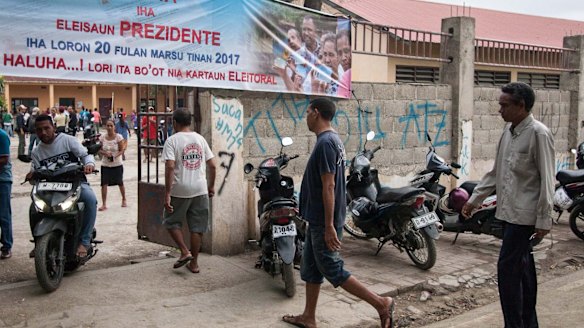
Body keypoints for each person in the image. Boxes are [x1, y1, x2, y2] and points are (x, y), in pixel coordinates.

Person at [282, 98, 394, 328]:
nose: (305, 117)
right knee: (311, 270)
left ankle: (381, 303)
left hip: (325, 221)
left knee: (333, 268)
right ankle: (309, 317)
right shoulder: (332, 140)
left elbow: (329, 185)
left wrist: (330, 225)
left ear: (315, 112)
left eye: (307, 112)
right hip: (318, 219)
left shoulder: (326, 143)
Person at [461, 82, 554, 328]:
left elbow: (547, 180)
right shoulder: (509, 133)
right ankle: (527, 323)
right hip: (508, 213)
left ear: (521, 106)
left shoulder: (538, 134)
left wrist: (545, 220)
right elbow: (496, 172)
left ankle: (514, 323)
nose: (499, 110)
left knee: (508, 272)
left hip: (524, 217)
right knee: (522, 270)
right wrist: (474, 199)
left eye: (504, 105)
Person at [27, 115, 97, 258]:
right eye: (39, 130)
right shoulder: (36, 152)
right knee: (33, 209)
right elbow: (34, 175)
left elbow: (86, 155)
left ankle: (84, 241)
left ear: (53, 126)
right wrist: (31, 176)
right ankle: (38, 242)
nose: (44, 133)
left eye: (46, 128)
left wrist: (89, 164)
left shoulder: (68, 140)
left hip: (75, 184)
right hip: (49, 188)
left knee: (90, 200)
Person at [162, 109, 216, 274]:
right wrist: (211, 186)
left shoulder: (172, 141)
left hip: (180, 189)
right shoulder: (200, 139)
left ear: (175, 122)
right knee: (197, 228)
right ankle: (194, 264)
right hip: (200, 189)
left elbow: (170, 166)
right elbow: (213, 165)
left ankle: (185, 252)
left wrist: (167, 193)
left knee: (171, 221)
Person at [98, 120, 127, 211]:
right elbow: (99, 149)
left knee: (120, 182)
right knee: (104, 183)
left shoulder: (118, 137)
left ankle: (124, 198)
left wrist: (114, 156)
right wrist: (105, 154)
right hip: (105, 164)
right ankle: (104, 204)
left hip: (117, 164)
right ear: (105, 127)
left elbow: (122, 150)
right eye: (108, 125)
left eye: (111, 125)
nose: (109, 127)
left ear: (114, 126)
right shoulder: (102, 138)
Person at [0, 127, 12, 259]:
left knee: (3, 215)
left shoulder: (2, 135)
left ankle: (7, 246)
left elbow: (4, 159)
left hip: (2, 180)